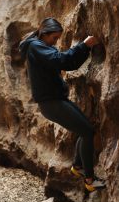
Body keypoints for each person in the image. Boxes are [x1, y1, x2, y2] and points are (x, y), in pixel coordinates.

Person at [19, 17, 106, 192]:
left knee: (86, 130)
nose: (55, 42)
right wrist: (84, 45)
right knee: (87, 132)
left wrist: (84, 48)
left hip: (56, 100)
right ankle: (89, 179)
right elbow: (62, 60)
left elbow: (69, 62)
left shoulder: (38, 45)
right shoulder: (36, 46)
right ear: (44, 34)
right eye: (54, 38)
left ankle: (78, 166)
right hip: (51, 103)